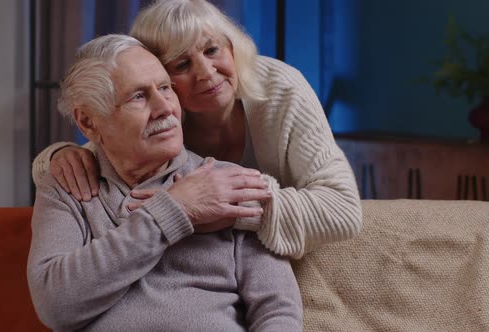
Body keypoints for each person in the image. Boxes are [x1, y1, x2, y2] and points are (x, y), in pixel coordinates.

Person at [32, 0, 362, 258]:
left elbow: (342, 210)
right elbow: (94, 159)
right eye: (182, 64)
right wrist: (58, 156)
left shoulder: (280, 89)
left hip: (275, 261)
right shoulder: (162, 115)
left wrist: (227, 210)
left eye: (212, 49)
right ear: (158, 76)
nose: (206, 73)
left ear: (232, 47)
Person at [27, 34, 302, 331]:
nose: (166, 108)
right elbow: (56, 306)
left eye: (165, 89)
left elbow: (278, 310)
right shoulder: (68, 185)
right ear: (89, 122)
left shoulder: (226, 182)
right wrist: (173, 209)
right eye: (139, 96)